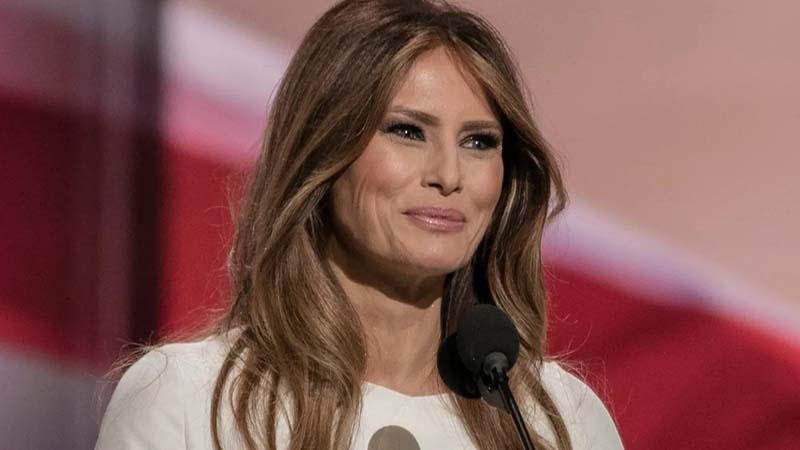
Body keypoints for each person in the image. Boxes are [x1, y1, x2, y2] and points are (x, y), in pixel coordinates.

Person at [96, 0, 623, 449]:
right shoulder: (188, 399)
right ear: (323, 150)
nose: (448, 175)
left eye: (479, 141)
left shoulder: (560, 420)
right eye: (407, 131)